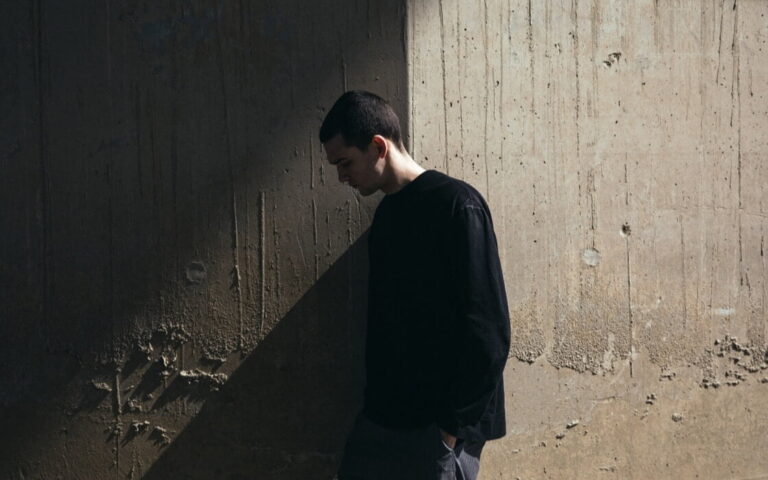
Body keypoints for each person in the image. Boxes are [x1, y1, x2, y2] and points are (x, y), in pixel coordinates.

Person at [320, 90, 510, 480]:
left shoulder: (457, 205)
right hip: (383, 420)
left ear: (378, 147)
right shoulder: (387, 215)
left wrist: (449, 431)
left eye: (345, 162)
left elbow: (489, 331)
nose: (341, 177)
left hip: (435, 430)